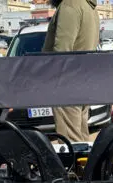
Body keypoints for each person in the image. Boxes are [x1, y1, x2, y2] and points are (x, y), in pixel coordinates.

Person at [42, 0, 100, 142]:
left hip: (66, 82)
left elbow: (61, 51)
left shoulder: (70, 4)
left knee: (70, 141)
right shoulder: (90, 8)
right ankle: (85, 164)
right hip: (83, 79)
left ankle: (75, 165)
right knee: (81, 136)